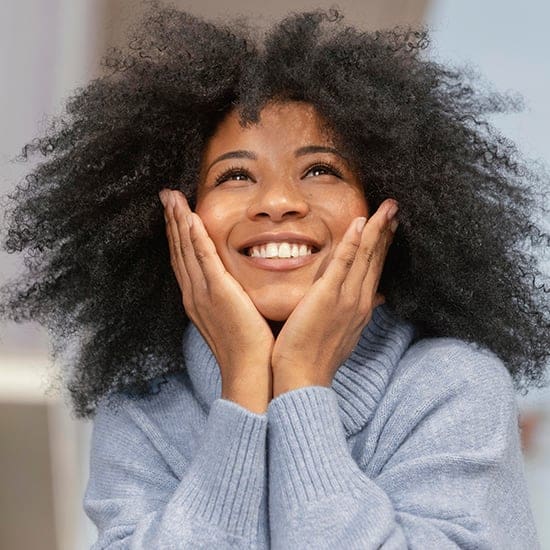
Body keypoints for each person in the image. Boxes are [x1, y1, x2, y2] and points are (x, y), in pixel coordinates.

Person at [0, 5, 548, 549]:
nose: (278, 202)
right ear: (175, 222)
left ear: (388, 211)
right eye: (235, 175)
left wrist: (303, 384)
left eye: (321, 170)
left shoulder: (453, 388)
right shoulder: (142, 416)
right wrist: (243, 389)